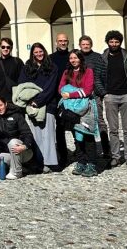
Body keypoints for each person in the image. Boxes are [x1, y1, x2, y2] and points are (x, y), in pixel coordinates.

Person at [96, 30, 127, 170]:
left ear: (120, 42)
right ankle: (115, 156)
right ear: (108, 42)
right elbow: (97, 78)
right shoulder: (102, 58)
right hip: (110, 97)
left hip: (126, 97)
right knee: (113, 130)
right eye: (111, 41)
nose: (114, 44)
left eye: (116, 42)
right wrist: (104, 93)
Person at [18, 42, 59, 172]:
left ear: (44, 52)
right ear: (32, 54)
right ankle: (39, 161)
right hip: (32, 105)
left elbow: (51, 87)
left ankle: (50, 162)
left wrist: (39, 101)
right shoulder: (27, 67)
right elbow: (22, 85)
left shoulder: (52, 67)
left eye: (40, 51)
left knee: (48, 134)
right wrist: (31, 100)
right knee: (36, 135)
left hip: (48, 104)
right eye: (36, 52)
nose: (38, 54)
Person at [58, 50, 98, 177]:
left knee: (87, 135)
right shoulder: (66, 72)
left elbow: (88, 90)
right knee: (77, 135)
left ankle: (91, 164)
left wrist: (70, 94)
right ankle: (81, 161)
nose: (73, 60)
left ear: (80, 58)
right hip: (71, 109)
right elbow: (61, 88)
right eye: (71, 58)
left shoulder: (88, 71)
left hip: (86, 109)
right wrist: (70, 94)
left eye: (75, 58)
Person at [78, 35, 110, 161]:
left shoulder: (97, 57)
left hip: (95, 94)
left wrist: (101, 91)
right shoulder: (76, 57)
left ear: (91, 45)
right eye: (83, 44)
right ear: (80, 45)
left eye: (88, 44)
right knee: (81, 122)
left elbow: (104, 74)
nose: (85, 46)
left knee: (100, 121)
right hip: (80, 95)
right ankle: (82, 149)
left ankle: (106, 148)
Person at [0, 96, 34, 179]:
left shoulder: (17, 115)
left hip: (23, 151)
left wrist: (24, 146)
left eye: (0, 105)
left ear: (5, 104)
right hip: (6, 153)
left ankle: (17, 172)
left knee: (12, 142)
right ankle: (17, 168)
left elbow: (28, 134)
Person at [50, 33, 70, 167]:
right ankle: (63, 155)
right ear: (56, 42)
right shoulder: (51, 58)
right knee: (60, 128)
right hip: (57, 98)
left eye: (65, 41)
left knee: (76, 127)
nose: (63, 43)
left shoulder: (73, 57)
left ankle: (80, 153)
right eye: (60, 41)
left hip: (73, 98)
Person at [0, 38, 24, 102]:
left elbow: (22, 79)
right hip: (0, 99)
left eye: (8, 47)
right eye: (3, 47)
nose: (5, 49)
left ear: (11, 48)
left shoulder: (17, 61)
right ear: (0, 48)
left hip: (15, 97)